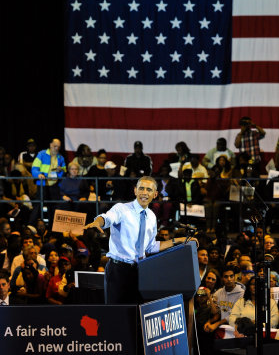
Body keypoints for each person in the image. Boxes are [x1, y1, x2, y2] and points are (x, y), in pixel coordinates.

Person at [84, 176, 197, 304]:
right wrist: (98, 222)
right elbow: (107, 218)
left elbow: (150, 247)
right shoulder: (121, 209)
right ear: (135, 191)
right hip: (118, 270)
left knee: (135, 315)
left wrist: (179, 240)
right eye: (141, 188)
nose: (144, 192)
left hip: (140, 271)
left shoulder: (152, 217)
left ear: (155, 194)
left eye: (148, 189)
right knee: (115, 314)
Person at [30, 138, 66, 224]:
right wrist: (38, 174)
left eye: (58, 147)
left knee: (53, 207)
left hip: (54, 184)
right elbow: (34, 168)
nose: (56, 148)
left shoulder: (60, 157)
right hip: (42, 183)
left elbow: (65, 170)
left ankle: (52, 229)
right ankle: (31, 226)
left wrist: (60, 170)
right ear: (50, 145)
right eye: (55, 146)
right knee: (38, 205)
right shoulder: (41, 154)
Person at [203, 266, 244, 333]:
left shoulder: (242, 293)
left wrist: (216, 324)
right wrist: (209, 322)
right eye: (226, 277)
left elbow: (234, 315)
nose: (229, 279)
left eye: (231, 276)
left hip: (235, 329)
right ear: (222, 278)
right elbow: (217, 313)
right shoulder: (218, 293)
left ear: (235, 277)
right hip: (221, 328)